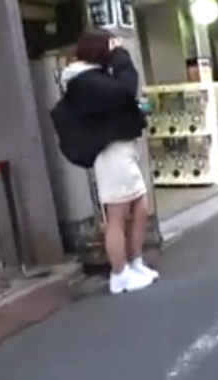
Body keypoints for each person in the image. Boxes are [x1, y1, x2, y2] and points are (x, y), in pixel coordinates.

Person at [57, 30, 158, 294]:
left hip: (122, 149)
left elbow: (121, 99)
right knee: (116, 215)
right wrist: (122, 59)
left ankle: (135, 262)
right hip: (110, 153)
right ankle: (119, 274)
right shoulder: (82, 80)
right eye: (111, 45)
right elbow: (124, 90)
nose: (115, 50)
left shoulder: (95, 76)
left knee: (140, 207)